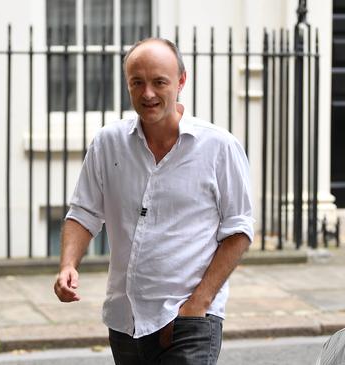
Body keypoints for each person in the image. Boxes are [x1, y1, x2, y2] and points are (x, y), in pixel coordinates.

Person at [54, 37, 253, 365]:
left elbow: (239, 230)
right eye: (137, 83)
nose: (147, 93)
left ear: (181, 81)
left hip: (191, 320)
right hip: (125, 319)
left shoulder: (220, 147)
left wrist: (197, 306)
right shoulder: (108, 144)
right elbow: (84, 213)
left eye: (159, 82)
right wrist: (67, 265)